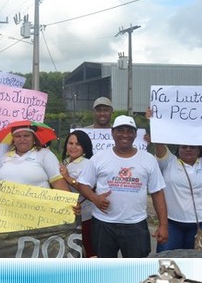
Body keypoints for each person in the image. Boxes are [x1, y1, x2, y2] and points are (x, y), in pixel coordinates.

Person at [77, 115, 168, 258]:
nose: (125, 134)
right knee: (104, 269)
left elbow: (157, 193)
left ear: (135, 133)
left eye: (129, 131)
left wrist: (163, 225)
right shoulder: (99, 158)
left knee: (135, 270)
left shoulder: (148, 160)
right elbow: (83, 184)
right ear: (113, 132)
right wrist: (94, 198)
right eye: (120, 130)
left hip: (135, 224)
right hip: (103, 224)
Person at [145, 109, 202, 252]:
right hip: (171, 225)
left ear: (199, 149)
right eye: (184, 146)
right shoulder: (169, 161)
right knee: (166, 263)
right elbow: (158, 143)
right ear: (178, 148)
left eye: (192, 147)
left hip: (199, 225)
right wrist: (153, 120)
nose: (188, 149)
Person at [0, 124, 71, 209]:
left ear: (34, 138)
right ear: (13, 139)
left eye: (26, 135)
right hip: (8, 216)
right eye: (18, 136)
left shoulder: (45, 154)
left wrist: (69, 203)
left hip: (37, 214)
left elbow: (57, 182)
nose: (22, 139)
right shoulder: (5, 157)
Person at [59, 130, 96, 257]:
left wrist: (68, 178)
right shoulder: (64, 162)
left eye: (78, 144)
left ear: (84, 147)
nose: (73, 147)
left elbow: (89, 190)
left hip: (85, 217)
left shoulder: (88, 164)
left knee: (88, 250)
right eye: (70, 143)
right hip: (66, 216)